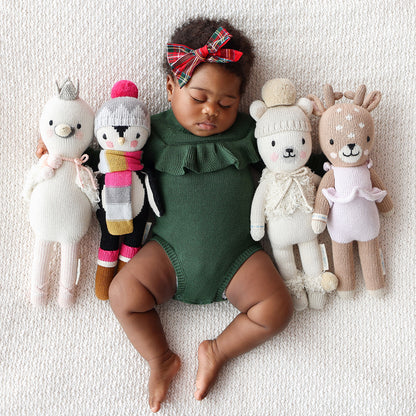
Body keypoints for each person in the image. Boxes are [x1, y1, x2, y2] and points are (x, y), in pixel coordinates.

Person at [36, 17, 294, 413]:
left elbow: (289, 157)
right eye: (199, 98)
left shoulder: (249, 132)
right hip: (167, 255)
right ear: (172, 88)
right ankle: (161, 359)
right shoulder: (151, 131)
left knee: (277, 307)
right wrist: (66, 156)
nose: (212, 110)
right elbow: (109, 154)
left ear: (240, 100)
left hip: (239, 257)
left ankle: (218, 349)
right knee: (123, 294)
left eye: (226, 103)